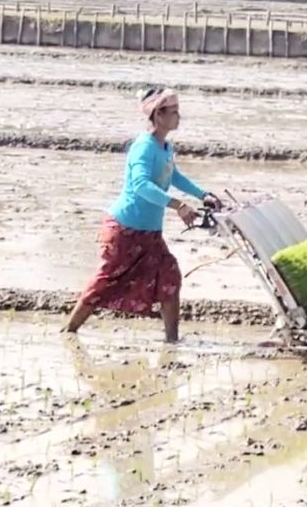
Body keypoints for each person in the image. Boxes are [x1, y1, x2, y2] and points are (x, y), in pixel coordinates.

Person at [62, 87, 221, 342]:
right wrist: (178, 206)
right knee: (104, 282)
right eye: (174, 112)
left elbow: (174, 175)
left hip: (149, 233)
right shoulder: (144, 147)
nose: (179, 116)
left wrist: (203, 195)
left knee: (170, 275)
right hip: (125, 229)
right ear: (159, 116)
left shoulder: (164, 147)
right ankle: (69, 332)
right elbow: (141, 185)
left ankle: (172, 340)